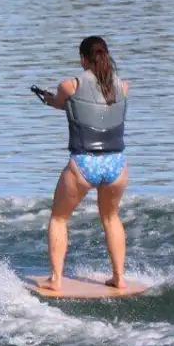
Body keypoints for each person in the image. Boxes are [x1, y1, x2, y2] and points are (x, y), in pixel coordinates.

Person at [35, 36, 130, 291]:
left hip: (84, 165)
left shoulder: (69, 85)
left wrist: (45, 98)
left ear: (83, 59)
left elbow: (60, 102)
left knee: (58, 218)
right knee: (111, 217)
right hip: (116, 165)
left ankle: (55, 279)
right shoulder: (123, 86)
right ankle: (119, 277)